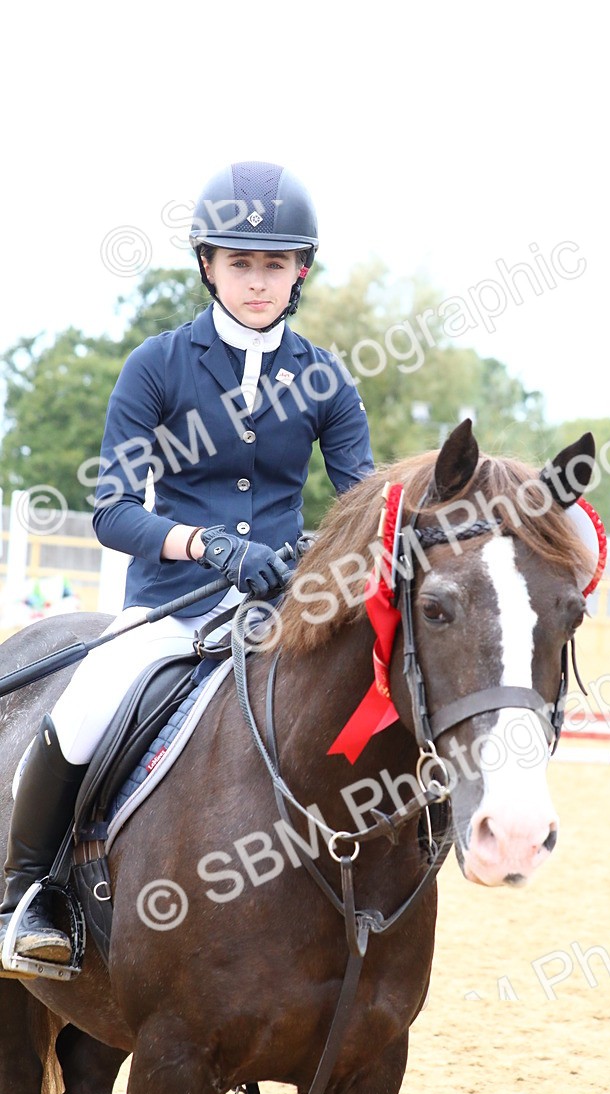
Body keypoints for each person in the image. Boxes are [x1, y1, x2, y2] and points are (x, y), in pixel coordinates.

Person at [0, 161, 373, 973]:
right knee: (88, 706)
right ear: (208, 264)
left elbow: (362, 508)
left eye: (275, 265)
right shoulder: (158, 365)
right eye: (242, 263)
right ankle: (33, 894)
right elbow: (113, 509)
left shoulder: (326, 380)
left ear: (300, 270)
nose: (258, 281)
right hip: (169, 607)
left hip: (280, 613)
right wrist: (207, 545)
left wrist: (309, 553)